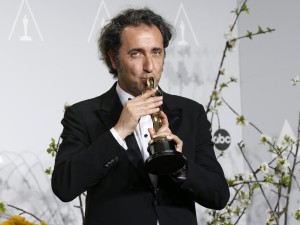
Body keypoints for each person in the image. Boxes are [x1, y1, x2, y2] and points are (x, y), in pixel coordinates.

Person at [51, 7, 230, 225]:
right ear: (114, 59)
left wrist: (179, 165)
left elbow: (218, 195)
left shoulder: (191, 112)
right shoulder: (82, 115)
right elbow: (64, 187)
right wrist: (119, 132)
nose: (150, 66)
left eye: (156, 52)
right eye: (136, 53)